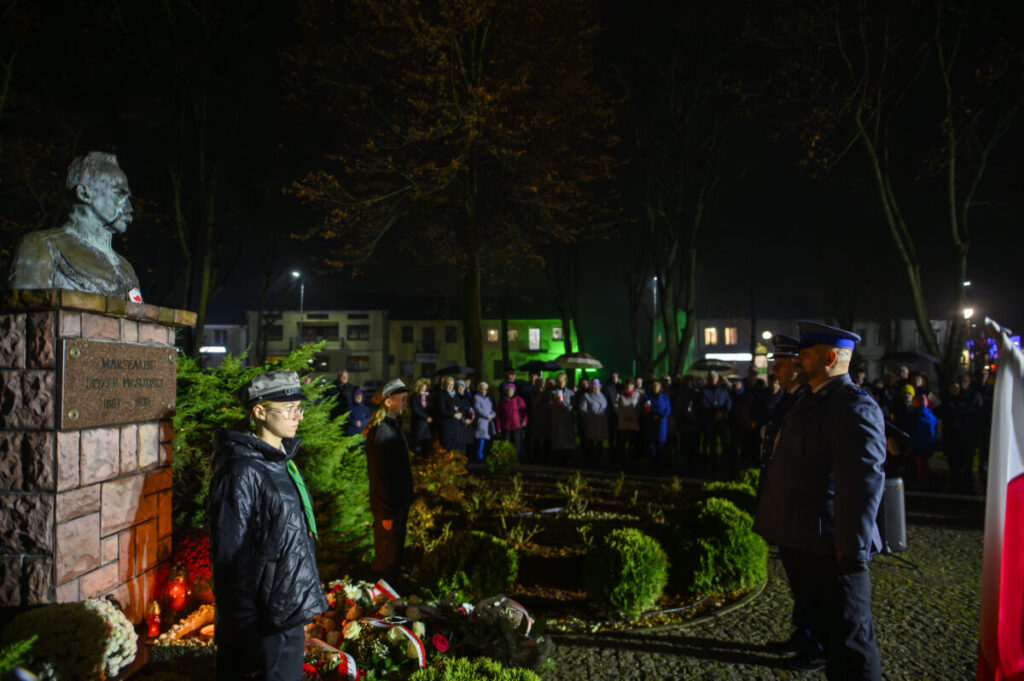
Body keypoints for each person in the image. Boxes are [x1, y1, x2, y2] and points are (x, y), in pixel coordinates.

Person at [754, 322, 886, 679]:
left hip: (833, 553)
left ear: (829, 358)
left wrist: (851, 555)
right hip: (809, 543)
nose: (798, 359)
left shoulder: (851, 405)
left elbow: (862, 486)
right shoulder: (813, 400)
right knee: (832, 641)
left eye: (806, 353)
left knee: (851, 650)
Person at [208, 370, 327, 681]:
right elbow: (229, 561)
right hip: (261, 627)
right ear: (259, 412)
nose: (299, 416)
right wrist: (245, 638)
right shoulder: (241, 470)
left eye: (299, 407)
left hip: (285, 616)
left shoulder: (279, 460)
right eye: (288, 409)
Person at [757, 335, 820, 663]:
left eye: (781, 365)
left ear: (798, 367)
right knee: (798, 578)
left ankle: (816, 645)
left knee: (809, 580)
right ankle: (803, 634)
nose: (775, 371)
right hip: (785, 500)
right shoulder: (788, 398)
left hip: (800, 505)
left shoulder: (809, 400)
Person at [9, 151, 143, 301]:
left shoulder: (126, 268)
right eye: (120, 194)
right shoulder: (41, 245)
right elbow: (25, 310)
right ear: (84, 193)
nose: (130, 207)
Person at [364, 379, 414, 585]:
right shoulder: (382, 432)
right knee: (386, 560)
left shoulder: (391, 428)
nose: (405, 404)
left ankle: (389, 598)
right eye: (402, 400)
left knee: (394, 558)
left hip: (396, 507)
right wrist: (386, 512)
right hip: (389, 510)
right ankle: (381, 600)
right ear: (388, 402)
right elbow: (380, 475)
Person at [578, 378, 609, 464]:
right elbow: (582, 409)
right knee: (590, 442)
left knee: (599, 442)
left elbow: (605, 408)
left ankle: (599, 459)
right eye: (593, 386)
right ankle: (590, 459)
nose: (595, 388)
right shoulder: (586, 396)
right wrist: (589, 417)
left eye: (597, 387)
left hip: (601, 423)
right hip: (591, 423)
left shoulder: (602, 396)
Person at [641, 379, 671, 467]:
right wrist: (652, 416)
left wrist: (661, 416)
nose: (655, 387)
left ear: (660, 387)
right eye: (653, 386)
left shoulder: (665, 397)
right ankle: (653, 464)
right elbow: (647, 409)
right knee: (652, 444)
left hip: (661, 423)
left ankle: (661, 464)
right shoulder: (647, 397)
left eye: (657, 385)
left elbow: (668, 409)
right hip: (651, 423)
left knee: (661, 444)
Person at [548, 372, 576, 464]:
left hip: (567, 418)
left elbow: (574, 405)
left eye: (562, 381)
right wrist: (558, 405)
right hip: (557, 419)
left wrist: (569, 408)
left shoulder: (571, 392)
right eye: (558, 382)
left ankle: (567, 455)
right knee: (558, 438)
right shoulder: (552, 393)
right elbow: (550, 405)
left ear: (565, 381)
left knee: (567, 438)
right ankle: (558, 456)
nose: (560, 383)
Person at [496, 382, 528, 461]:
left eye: (511, 390)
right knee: (506, 444)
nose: (510, 392)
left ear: (514, 391)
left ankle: (516, 460)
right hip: (506, 426)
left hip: (517, 426)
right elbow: (499, 415)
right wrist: (498, 427)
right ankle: (507, 461)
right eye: (508, 390)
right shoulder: (502, 401)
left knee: (517, 444)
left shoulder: (519, 399)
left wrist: (524, 421)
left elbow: (525, 412)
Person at [614, 377, 642, 464]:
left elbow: (639, 407)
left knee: (632, 442)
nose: (628, 386)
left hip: (633, 422)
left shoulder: (638, 395)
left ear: (633, 385)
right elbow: (616, 406)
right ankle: (622, 460)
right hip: (623, 422)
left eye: (630, 384)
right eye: (627, 384)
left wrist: (634, 416)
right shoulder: (620, 394)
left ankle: (632, 460)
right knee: (622, 442)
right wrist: (622, 416)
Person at [409, 378, 434, 455]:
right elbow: (415, 409)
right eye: (422, 385)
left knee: (427, 442)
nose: (423, 387)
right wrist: (426, 417)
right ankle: (417, 456)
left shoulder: (429, 396)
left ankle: (425, 457)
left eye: (425, 385)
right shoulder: (414, 396)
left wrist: (431, 417)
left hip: (428, 424)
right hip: (419, 423)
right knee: (417, 443)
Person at [472, 381, 496, 461]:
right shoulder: (476, 397)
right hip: (482, 422)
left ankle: (487, 457)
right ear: (479, 389)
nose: (483, 390)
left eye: (485, 389)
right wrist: (487, 415)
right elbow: (477, 409)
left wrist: (493, 415)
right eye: (481, 389)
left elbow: (492, 409)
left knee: (488, 441)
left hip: (489, 422)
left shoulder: (489, 398)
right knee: (481, 441)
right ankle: (479, 458)